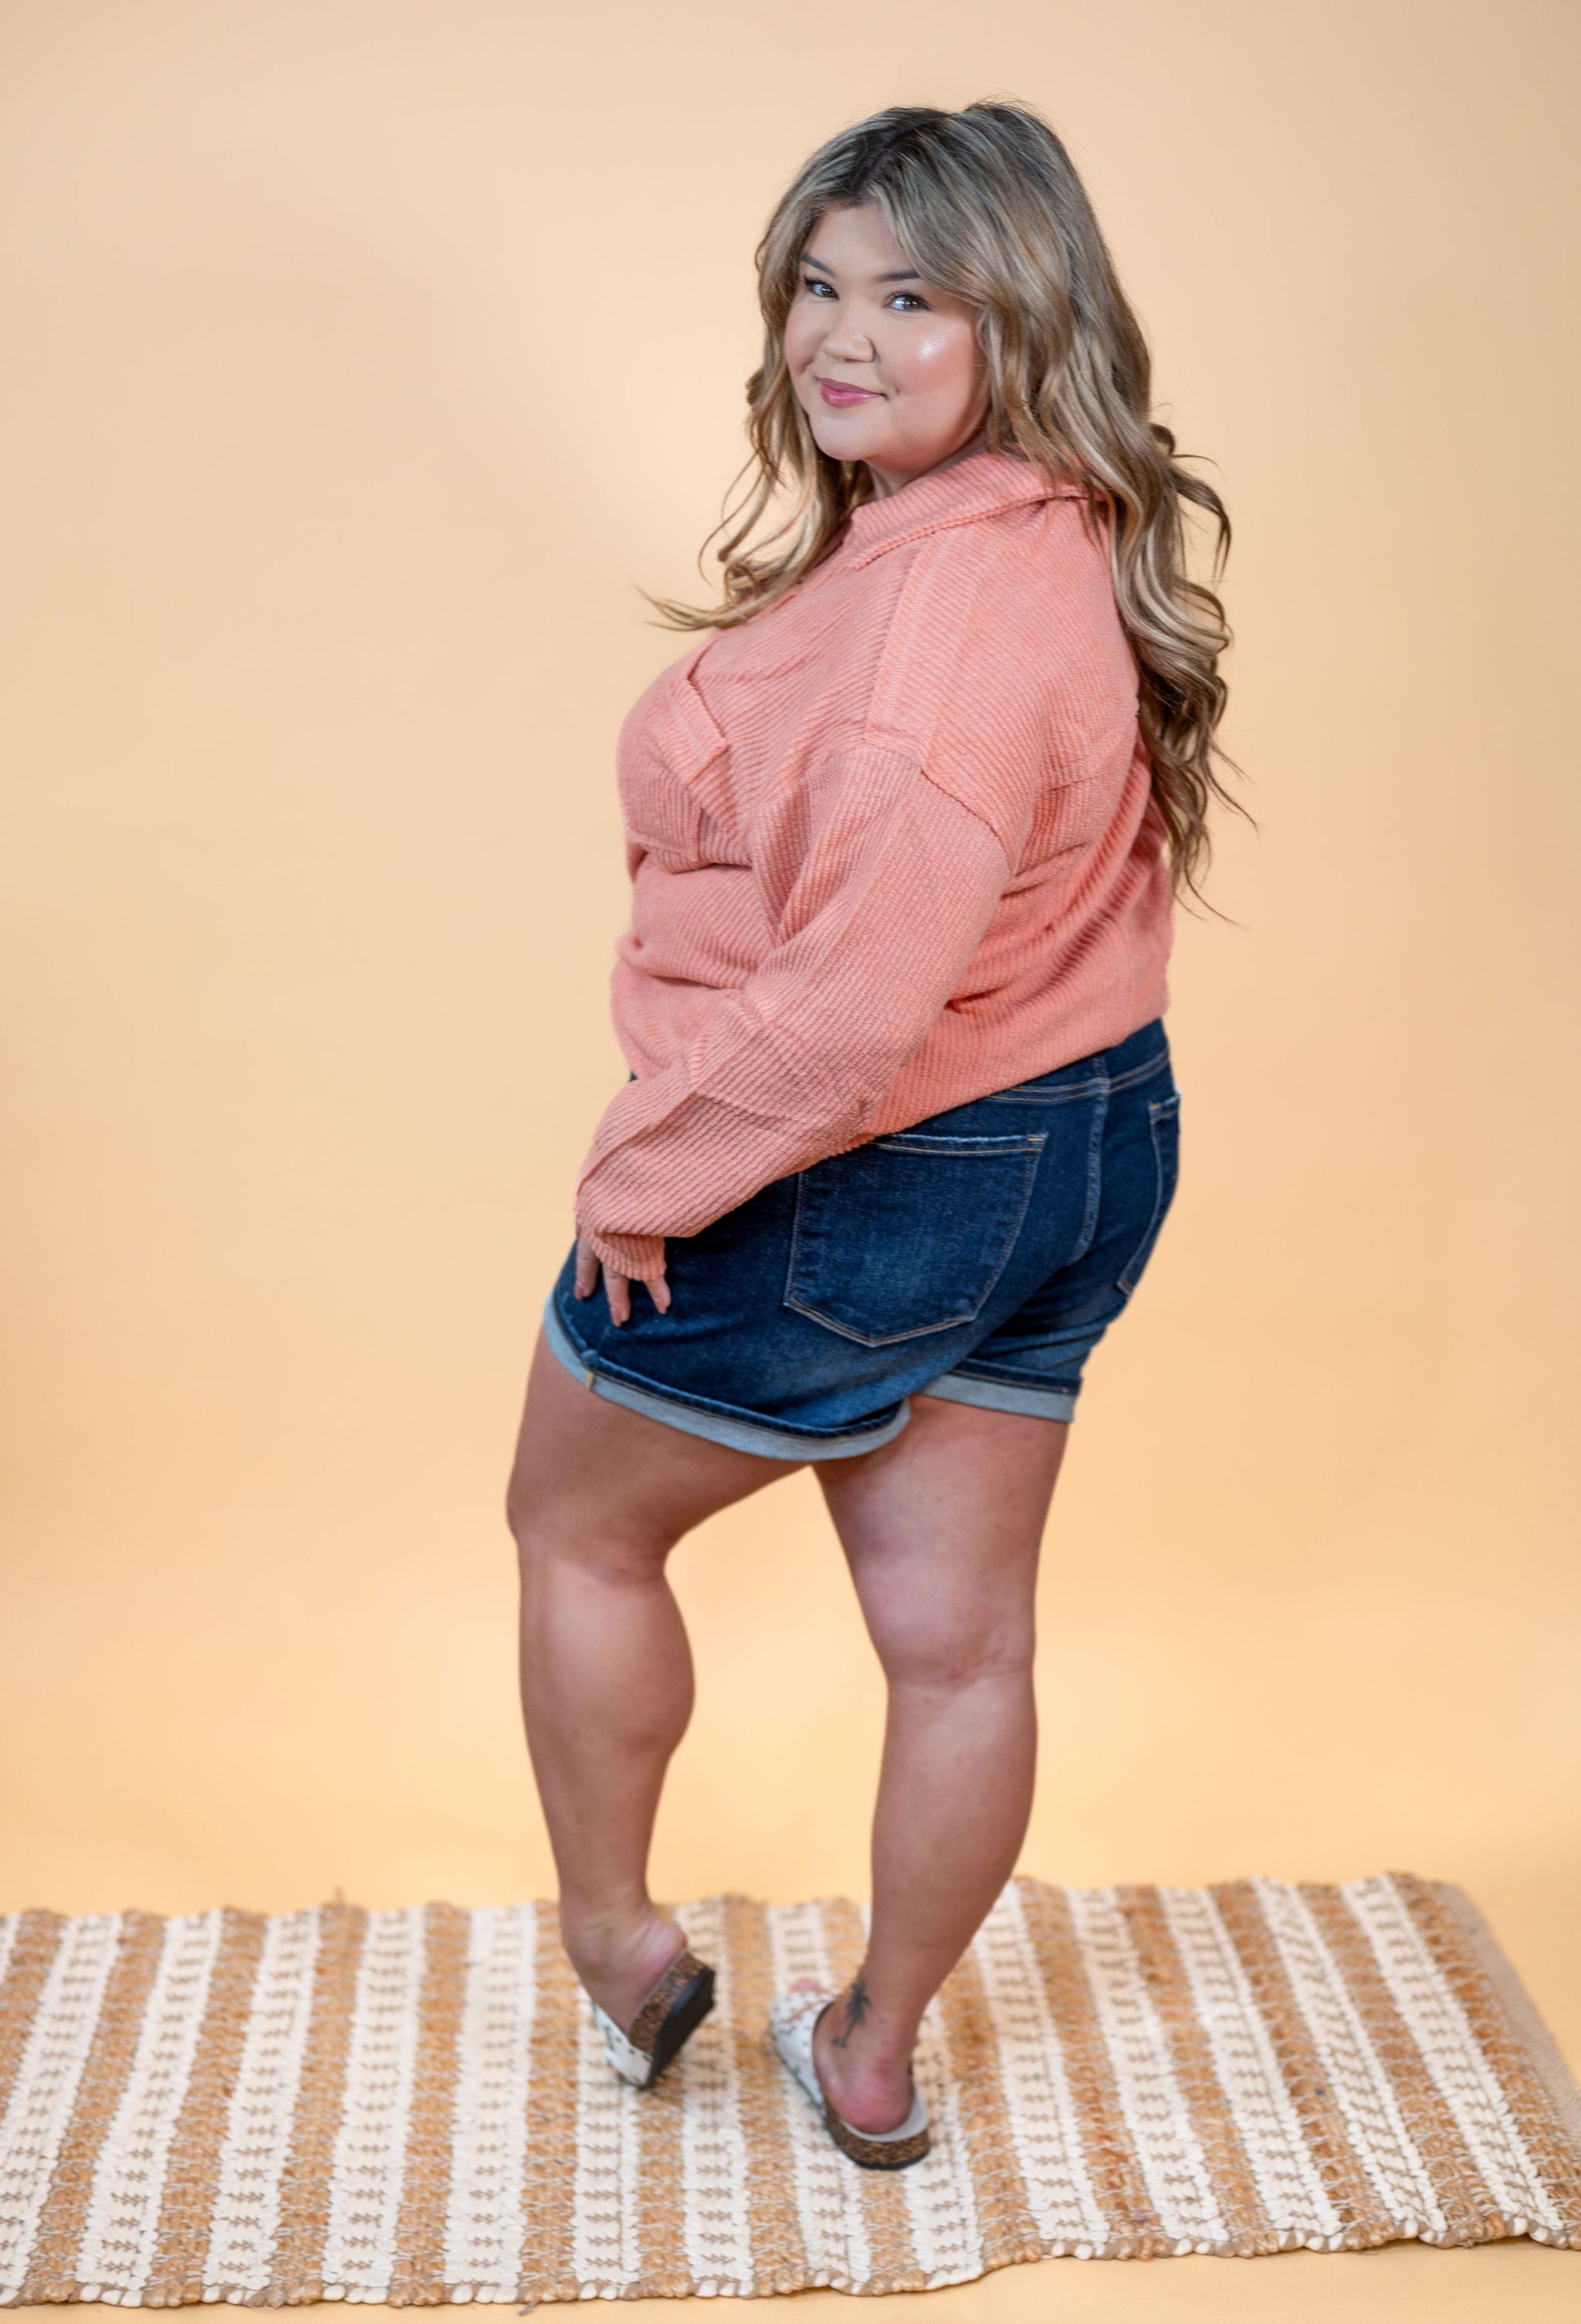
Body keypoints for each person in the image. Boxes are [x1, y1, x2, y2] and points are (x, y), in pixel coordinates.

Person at [506, 99, 1233, 2170]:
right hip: (1087, 1130)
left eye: (914, 297)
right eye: (818, 287)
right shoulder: (1046, 524)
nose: (844, 336)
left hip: (890, 1158)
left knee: (577, 1525)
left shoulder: (935, 637)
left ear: (1026, 315)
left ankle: (621, 1943)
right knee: (963, 1643)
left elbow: (845, 1013)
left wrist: (644, 1173)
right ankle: (876, 2055)